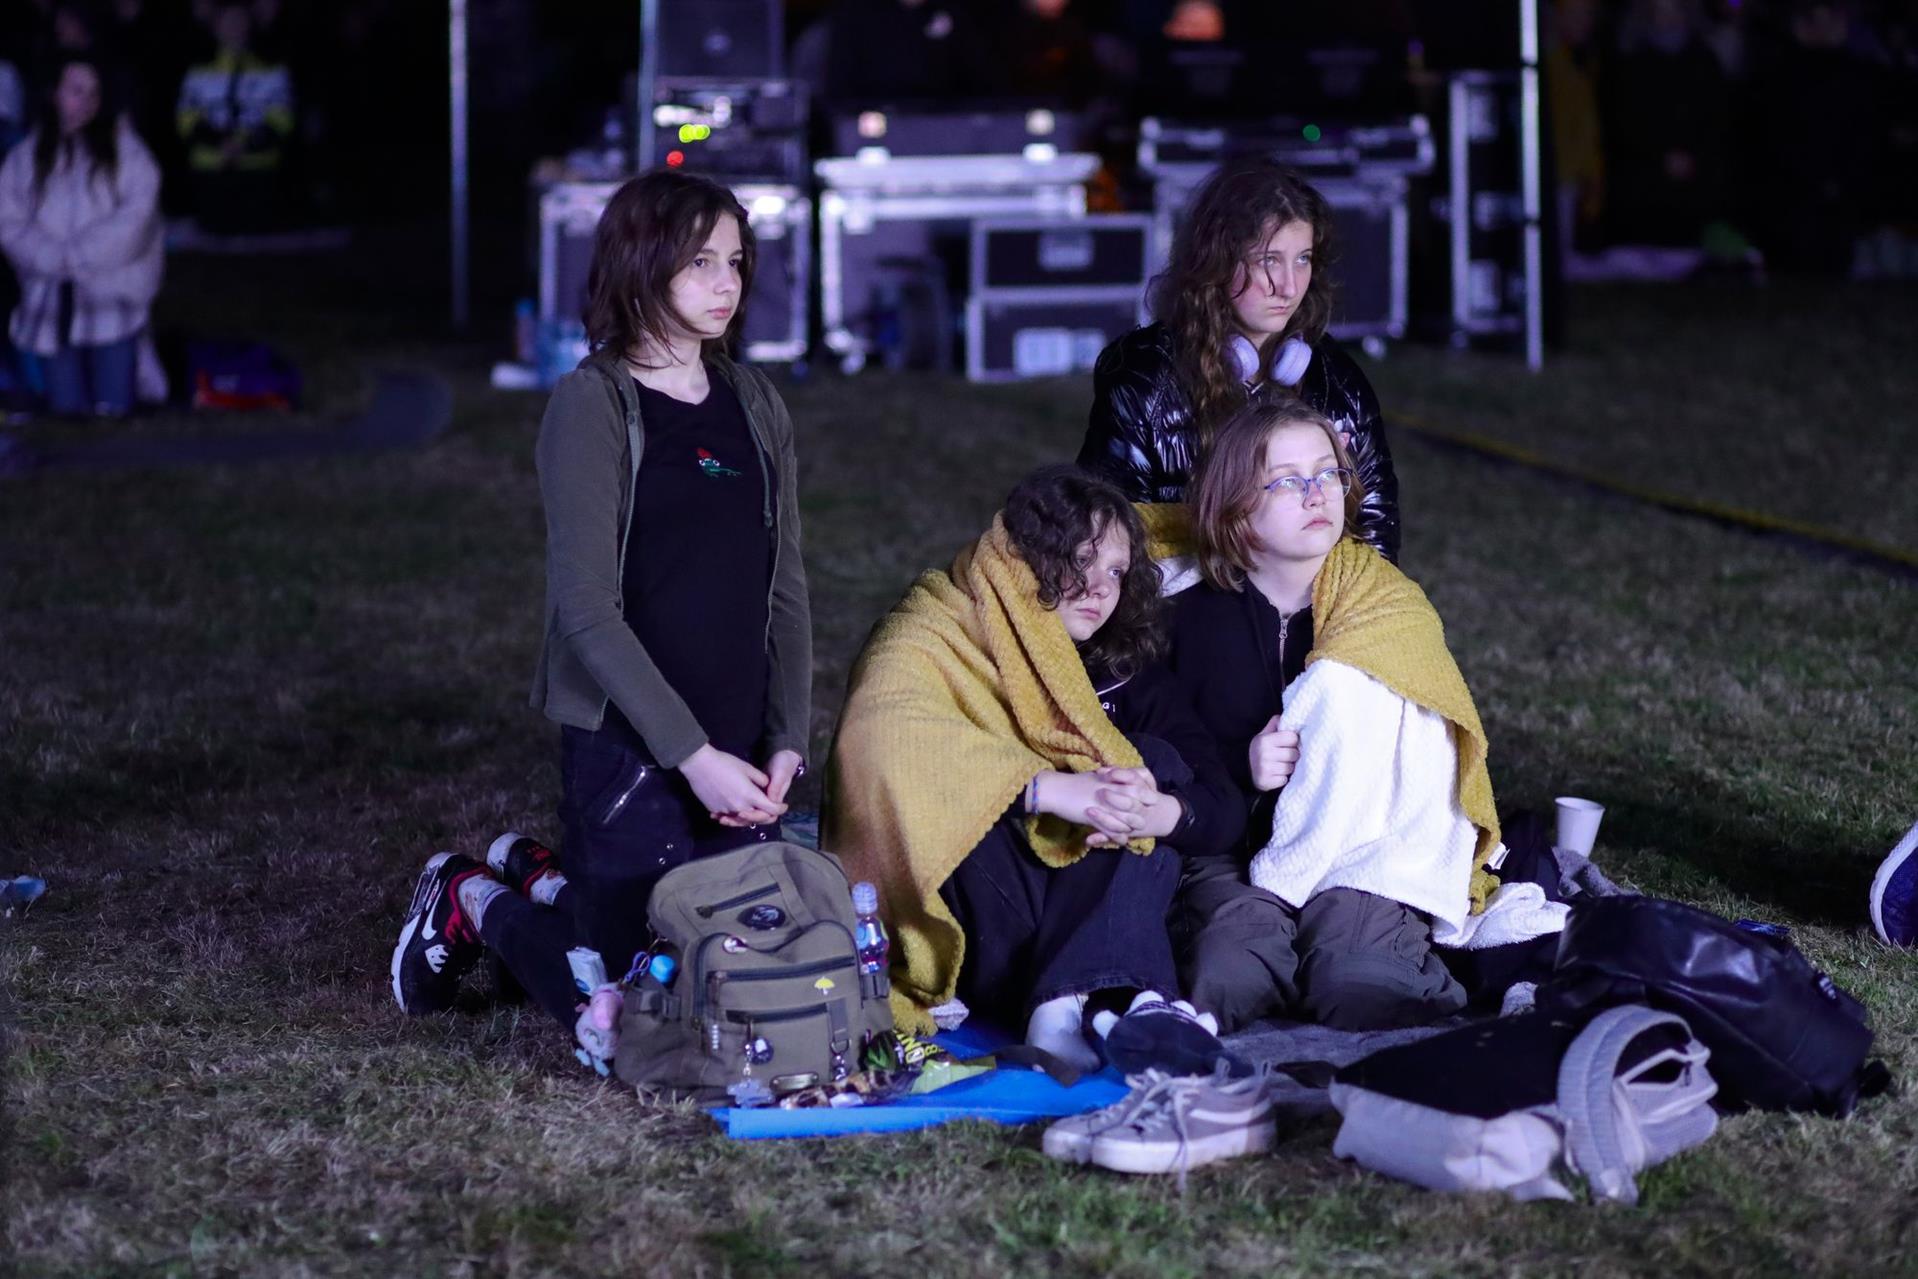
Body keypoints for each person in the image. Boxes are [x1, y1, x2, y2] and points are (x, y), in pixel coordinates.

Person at [391, 170, 813, 1052]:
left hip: (735, 754)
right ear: (642, 264)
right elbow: (585, 609)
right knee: (632, 1019)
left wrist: (785, 738)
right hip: (631, 753)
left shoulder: (755, 403)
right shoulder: (594, 405)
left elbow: (786, 585)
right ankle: (474, 895)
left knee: (741, 987)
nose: (727, 283)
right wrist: (693, 758)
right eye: (700, 262)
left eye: (736, 261)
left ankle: (552, 880)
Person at [826, 465, 1243, 1071]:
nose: (1100, 588)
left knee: (1146, 765)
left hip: (1083, 925)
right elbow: (879, 742)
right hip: (983, 925)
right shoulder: (942, 624)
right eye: (1080, 560)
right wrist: (1044, 790)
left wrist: (1162, 813)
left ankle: (1075, 1006)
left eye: (1116, 571)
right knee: (1094, 785)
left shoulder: (1128, 671)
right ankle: (1126, 1003)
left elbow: (1222, 807)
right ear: (1024, 559)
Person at [1165, 394, 1511, 1033]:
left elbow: (1425, 755)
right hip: (1229, 849)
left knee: (1362, 981)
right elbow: (1154, 749)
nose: (1316, 493)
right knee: (1231, 972)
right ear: (1233, 507)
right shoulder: (1188, 617)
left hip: (1358, 852)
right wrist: (1240, 767)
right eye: (1286, 481)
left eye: (1328, 473)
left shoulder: (1383, 611)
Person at [1076, 156, 1401, 563]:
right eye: (1268, 260)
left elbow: (1376, 533)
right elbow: (1113, 536)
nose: (1288, 286)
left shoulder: (1338, 382)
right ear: (1218, 261)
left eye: (1302, 259)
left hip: (1305, 591)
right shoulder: (1145, 379)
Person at [0, 53, 161, 419]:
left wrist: (79, 255)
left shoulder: (128, 153)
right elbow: (9, 220)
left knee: (113, 409)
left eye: (93, 93)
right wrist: (46, 256)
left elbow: (137, 217)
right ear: (54, 94)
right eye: (75, 91)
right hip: (50, 302)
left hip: (112, 301)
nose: (85, 102)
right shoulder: (25, 158)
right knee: (66, 412)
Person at [175, 1, 293, 232]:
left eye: (240, 21)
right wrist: (220, 143)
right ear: (215, 27)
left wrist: (244, 145)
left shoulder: (272, 72)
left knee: (257, 233)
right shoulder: (198, 73)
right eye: (227, 22)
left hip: (259, 169)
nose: (234, 28)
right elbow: (186, 121)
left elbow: (281, 121)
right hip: (210, 169)